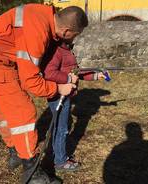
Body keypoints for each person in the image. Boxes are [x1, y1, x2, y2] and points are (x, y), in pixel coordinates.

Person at [0, 4, 88, 183]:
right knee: (23, 111)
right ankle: (32, 170)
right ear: (66, 31)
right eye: (76, 35)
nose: (74, 39)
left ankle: (16, 152)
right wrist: (58, 88)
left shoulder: (44, 15)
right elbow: (31, 82)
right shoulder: (38, 32)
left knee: (6, 107)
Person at [42, 40, 107, 172]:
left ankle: (57, 155)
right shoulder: (57, 51)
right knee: (62, 129)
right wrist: (68, 79)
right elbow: (49, 73)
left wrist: (95, 75)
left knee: (59, 128)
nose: (76, 37)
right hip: (58, 96)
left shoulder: (67, 50)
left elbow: (76, 72)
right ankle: (60, 161)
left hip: (66, 96)